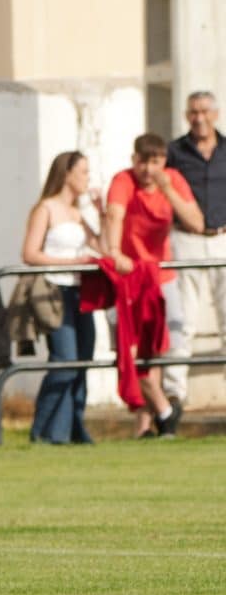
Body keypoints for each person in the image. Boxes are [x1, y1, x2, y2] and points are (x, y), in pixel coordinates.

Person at [104, 133, 203, 437]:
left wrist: (167, 190)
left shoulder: (172, 180)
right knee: (132, 349)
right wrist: (115, 252)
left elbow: (196, 223)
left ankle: (152, 419)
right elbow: (114, 217)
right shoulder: (122, 181)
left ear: (164, 162)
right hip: (128, 277)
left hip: (161, 277)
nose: (148, 170)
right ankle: (164, 412)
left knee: (163, 346)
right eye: (142, 162)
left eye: (155, 162)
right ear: (133, 160)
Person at [22, 152, 102, 444]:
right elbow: (30, 253)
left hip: (82, 292)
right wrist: (70, 262)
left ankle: (71, 429)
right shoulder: (46, 208)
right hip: (55, 291)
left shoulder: (80, 213)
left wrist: (101, 212)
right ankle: (43, 429)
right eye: (83, 171)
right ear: (66, 173)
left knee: (83, 359)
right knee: (64, 360)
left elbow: (102, 248)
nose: (87, 178)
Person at [165, 90, 226, 408]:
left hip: (223, 238)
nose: (199, 118)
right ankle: (175, 393)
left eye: (204, 111)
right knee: (183, 320)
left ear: (215, 114)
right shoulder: (175, 152)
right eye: (192, 112)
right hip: (186, 239)